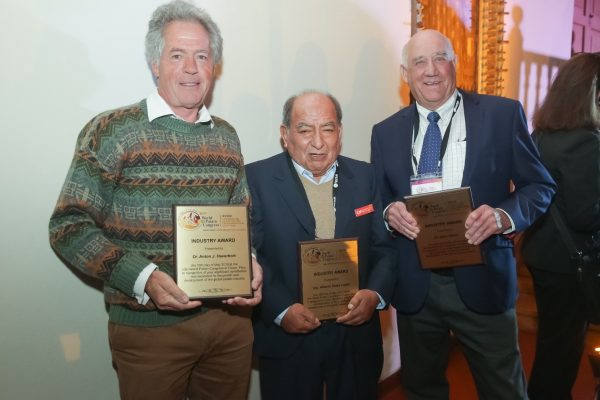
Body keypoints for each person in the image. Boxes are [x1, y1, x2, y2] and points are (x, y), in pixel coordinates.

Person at [48, 1, 262, 399]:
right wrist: (143, 278)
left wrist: (249, 263)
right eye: (177, 55)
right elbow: (69, 227)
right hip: (149, 332)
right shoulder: (112, 130)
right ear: (154, 63)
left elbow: (241, 218)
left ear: (213, 65)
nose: (191, 68)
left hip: (230, 326)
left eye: (202, 56)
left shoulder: (226, 136)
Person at [370, 29, 555, 399]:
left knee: (504, 390)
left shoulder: (502, 115)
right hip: (416, 288)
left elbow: (539, 186)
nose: (431, 70)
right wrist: (390, 211)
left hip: (483, 280)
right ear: (405, 74)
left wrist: (502, 216)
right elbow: (379, 196)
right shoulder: (385, 132)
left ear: (454, 63)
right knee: (421, 390)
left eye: (440, 58)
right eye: (419, 62)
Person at [246, 90, 397, 400]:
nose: (318, 142)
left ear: (339, 132)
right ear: (285, 134)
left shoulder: (366, 176)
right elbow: (252, 255)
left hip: (355, 334)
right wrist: (281, 309)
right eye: (305, 130)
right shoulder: (256, 178)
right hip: (288, 335)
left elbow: (384, 249)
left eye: (327, 129)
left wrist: (375, 294)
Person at [521, 52, 600, 400]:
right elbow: (585, 216)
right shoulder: (586, 142)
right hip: (571, 264)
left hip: (543, 253)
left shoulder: (542, 134)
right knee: (562, 353)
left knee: (552, 344)